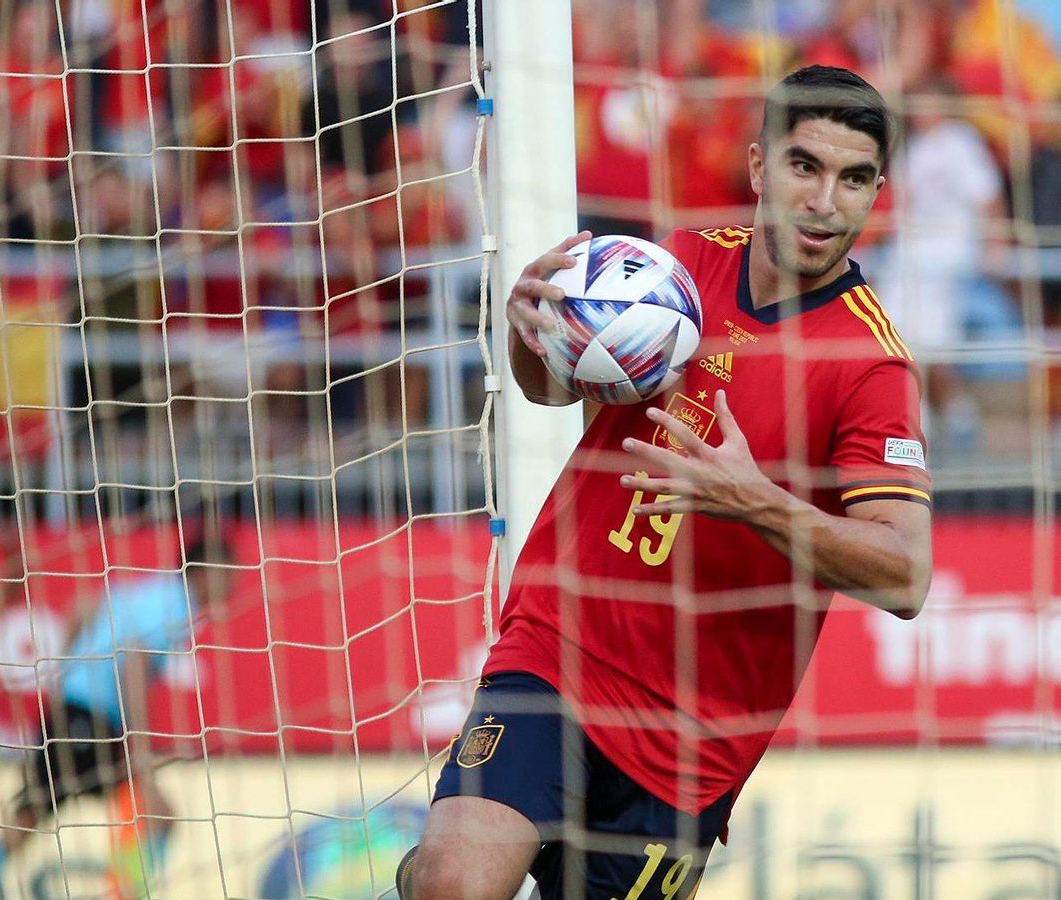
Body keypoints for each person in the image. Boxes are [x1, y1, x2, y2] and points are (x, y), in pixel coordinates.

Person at [397, 66, 933, 900]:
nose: (826, 200)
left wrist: (753, 501)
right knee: (451, 884)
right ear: (758, 167)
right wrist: (526, 331)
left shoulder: (871, 364)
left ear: (876, 191)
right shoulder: (674, 267)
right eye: (805, 166)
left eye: (854, 177)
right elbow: (550, 391)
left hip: (690, 744)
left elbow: (906, 574)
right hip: (560, 649)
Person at [0, 535, 235, 900]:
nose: (235, 581)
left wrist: (61, 679)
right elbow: (135, 661)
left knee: (34, 812)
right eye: (229, 571)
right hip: (90, 719)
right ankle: (122, 894)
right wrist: (141, 749)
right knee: (157, 815)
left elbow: (83, 606)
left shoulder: (151, 591)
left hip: (76, 713)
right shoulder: (176, 605)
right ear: (206, 571)